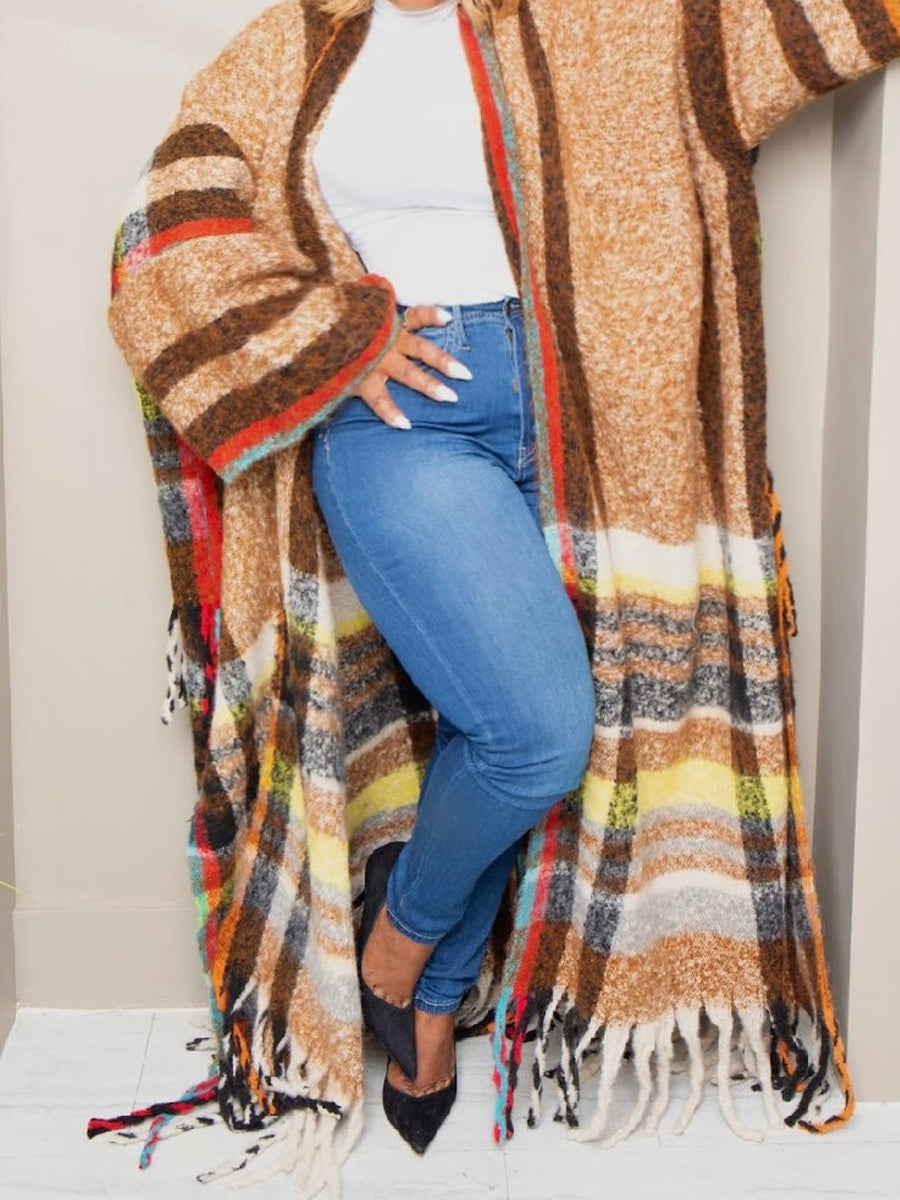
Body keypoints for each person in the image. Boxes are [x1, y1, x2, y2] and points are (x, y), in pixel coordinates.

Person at [104, 0, 900, 1188]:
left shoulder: (604, 18)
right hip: (410, 415)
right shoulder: (292, 45)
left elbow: (808, 27)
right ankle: (408, 953)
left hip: (594, 417)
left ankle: (417, 964)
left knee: (538, 730)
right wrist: (337, 333)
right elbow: (174, 228)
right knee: (537, 734)